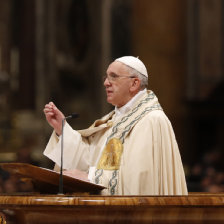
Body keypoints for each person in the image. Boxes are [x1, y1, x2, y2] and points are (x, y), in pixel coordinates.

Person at [43, 56, 188, 195]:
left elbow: (139, 179)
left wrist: (90, 177)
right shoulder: (114, 120)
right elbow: (92, 159)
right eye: (106, 77)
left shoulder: (151, 120)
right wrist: (63, 130)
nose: (106, 82)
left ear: (134, 83)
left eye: (113, 76)